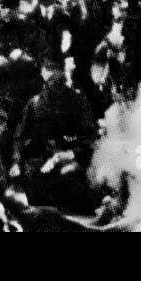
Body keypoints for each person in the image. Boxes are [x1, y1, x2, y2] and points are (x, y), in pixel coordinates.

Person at [13, 59, 98, 215]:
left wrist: (72, 154)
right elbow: (20, 134)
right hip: (44, 157)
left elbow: (92, 137)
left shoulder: (77, 100)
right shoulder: (35, 103)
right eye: (50, 79)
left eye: (57, 78)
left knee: (71, 179)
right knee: (32, 175)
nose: (53, 83)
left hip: (73, 157)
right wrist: (16, 161)